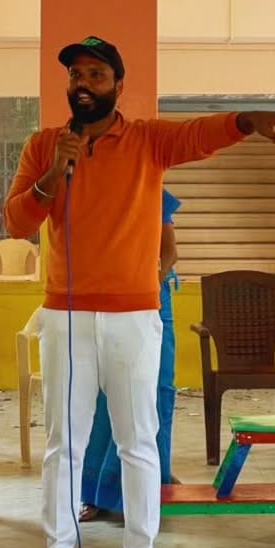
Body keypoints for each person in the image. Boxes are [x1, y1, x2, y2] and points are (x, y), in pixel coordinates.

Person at [4, 34, 275, 548]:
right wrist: (55, 171)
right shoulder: (43, 145)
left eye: (96, 75)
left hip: (133, 317)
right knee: (64, 442)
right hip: (66, 318)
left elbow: (197, 136)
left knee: (137, 440)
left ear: (118, 85)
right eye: (76, 75)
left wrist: (245, 120)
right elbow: (16, 221)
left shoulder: (147, 141)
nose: (83, 84)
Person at [80, 187, 181, 520]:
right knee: (106, 395)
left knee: (156, 392)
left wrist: (149, 285)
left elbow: (169, 253)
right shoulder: (94, 193)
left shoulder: (151, 191)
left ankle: (150, 485)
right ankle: (98, 493)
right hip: (107, 300)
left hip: (151, 301)